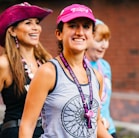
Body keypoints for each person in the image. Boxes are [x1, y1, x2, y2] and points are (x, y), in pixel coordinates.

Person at [19, 4, 113, 138]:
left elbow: (96, 124)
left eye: (86, 26)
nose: (80, 32)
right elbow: (27, 126)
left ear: (92, 35)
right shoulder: (48, 72)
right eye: (73, 25)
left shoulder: (96, 77)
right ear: (59, 34)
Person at [0, 2, 53, 138]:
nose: (36, 28)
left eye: (37, 23)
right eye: (28, 23)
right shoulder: (4, 64)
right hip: (15, 133)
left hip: (46, 133)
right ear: (12, 31)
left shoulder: (47, 62)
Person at [85, 19, 117, 138]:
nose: (104, 45)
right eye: (99, 40)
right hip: (90, 130)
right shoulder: (78, 66)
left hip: (109, 128)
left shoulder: (105, 66)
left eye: (106, 40)